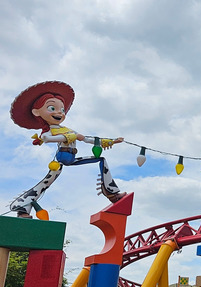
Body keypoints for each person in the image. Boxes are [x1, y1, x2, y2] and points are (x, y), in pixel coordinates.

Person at [9, 81, 125, 218]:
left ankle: (111, 192)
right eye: (52, 108)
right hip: (62, 158)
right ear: (36, 112)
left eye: (62, 110)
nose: (59, 112)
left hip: (72, 158)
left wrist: (112, 141)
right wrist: (69, 137)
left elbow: (89, 139)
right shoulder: (52, 131)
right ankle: (22, 207)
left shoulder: (68, 131)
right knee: (45, 183)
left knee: (101, 160)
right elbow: (46, 138)